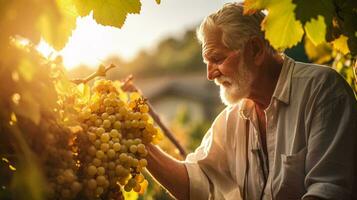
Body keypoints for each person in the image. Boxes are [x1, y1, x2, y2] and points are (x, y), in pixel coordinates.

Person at [145, 3, 357, 200]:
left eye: (217, 59)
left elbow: (329, 191)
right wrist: (142, 145)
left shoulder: (321, 90)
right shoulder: (231, 119)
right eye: (207, 62)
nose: (210, 75)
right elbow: (195, 184)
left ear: (255, 50)